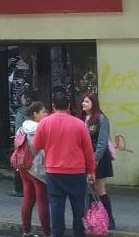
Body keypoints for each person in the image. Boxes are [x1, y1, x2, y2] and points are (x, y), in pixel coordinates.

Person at [32, 91, 97, 237]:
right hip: (77, 172)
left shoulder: (44, 123)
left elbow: (36, 147)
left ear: (53, 106)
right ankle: (79, 233)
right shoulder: (79, 124)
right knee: (78, 206)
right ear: (68, 106)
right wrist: (91, 171)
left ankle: (57, 233)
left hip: (53, 172)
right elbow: (88, 151)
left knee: (56, 205)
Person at [80, 93, 115, 229]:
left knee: (100, 189)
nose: (83, 104)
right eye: (83, 101)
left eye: (86, 102)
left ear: (93, 103)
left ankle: (110, 219)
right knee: (89, 189)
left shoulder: (101, 119)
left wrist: (94, 160)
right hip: (87, 158)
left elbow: (102, 142)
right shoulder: (82, 118)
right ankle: (92, 219)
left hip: (99, 159)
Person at [17, 101, 50, 237]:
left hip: (24, 167)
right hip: (37, 169)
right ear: (35, 114)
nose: (45, 114)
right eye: (43, 112)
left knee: (28, 199)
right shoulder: (41, 128)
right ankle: (46, 233)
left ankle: (26, 231)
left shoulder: (22, 128)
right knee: (42, 202)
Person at [12, 90, 36, 197]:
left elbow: (18, 131)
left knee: (20, 165)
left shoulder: (21, 112)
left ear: (26, 98)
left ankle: (19, 189)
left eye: (22, 97)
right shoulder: (40, 110)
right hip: (37, 143)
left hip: (24, 143)